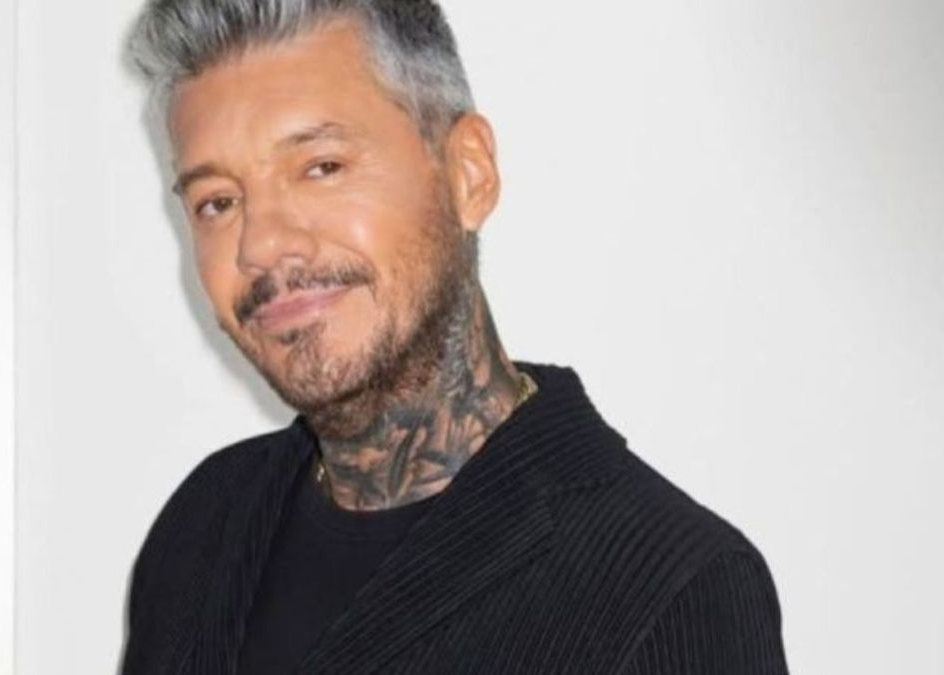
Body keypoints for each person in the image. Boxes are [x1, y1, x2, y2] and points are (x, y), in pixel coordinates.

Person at [121, 1, 789, 673]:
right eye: (217, 202)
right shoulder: (204, 524)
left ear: (469, 173)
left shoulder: (668, 587)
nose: (262, 244)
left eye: (321, 167)